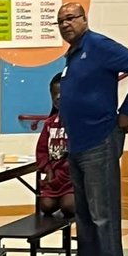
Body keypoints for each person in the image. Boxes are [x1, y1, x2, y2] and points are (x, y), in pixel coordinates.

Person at [56, 2, 128, 256]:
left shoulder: (98, 45)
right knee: (84, 217)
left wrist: (126, 112)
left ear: (84, 19)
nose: (65, 24)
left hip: (100, 140)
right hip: (77, 145)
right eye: (60, 21)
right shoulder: (73, 55)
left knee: (103, 216)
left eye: (71, 18)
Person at [35, 73, 75, 219]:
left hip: (72, 180)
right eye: (54, 94)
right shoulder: (49, 123)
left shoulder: (78, 123)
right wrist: (48, 169)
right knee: (46, 207)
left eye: (62, 93)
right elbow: (42, 151)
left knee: (69, 207)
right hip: (54, 178)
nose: (58, 97)